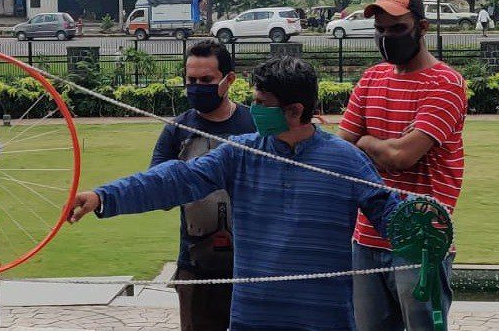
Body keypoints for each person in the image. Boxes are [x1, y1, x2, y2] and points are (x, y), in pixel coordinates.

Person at [70, 56, 401, 331]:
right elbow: (177, 178)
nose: (252, 109)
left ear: (295, 110)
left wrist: (422, 223)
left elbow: (391, 217)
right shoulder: (240, 152)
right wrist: (105, 197)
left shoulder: (345, 159)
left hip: (324, 320)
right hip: (252, 318)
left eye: (261, 103)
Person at [338, 0, 467, 331]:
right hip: (365, 236)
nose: (386, 37)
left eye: (397, 29)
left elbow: (402, 157)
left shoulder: (446, 83)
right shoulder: (372, 77)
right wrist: (378, 146)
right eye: (380, 30)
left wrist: (366, 140)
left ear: (422, 28)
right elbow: (342, 150)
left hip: (421, 242)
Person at [149, 40, 256, 331]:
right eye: (191, 80)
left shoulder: (254, 125)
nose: (197, 87)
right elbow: (157, 191)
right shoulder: (176, 131)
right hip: (196, 264)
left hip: (253, 263)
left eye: (206, 80)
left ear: (229, 80)